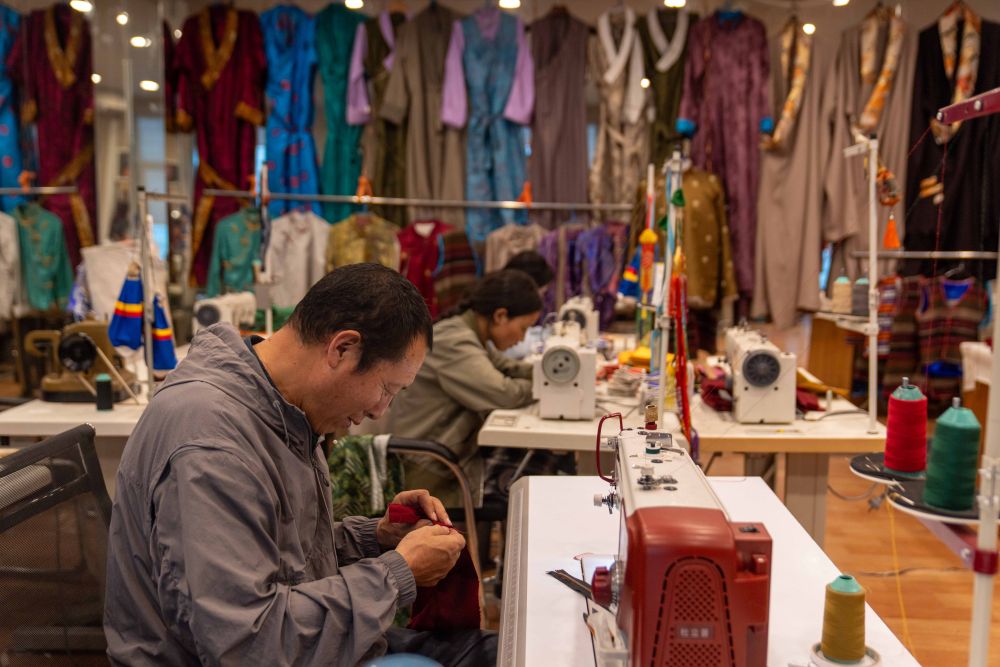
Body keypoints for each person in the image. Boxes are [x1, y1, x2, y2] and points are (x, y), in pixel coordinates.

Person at [104, 263, 495, 666]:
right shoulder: (213, 447)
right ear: (342, 349)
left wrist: (376, 538)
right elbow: (245, 644)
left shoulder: (278, 410)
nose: (380, 411)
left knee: (497, 651)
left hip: (291, 643)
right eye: (386, 388)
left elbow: (273, 552)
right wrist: (397, 574)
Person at [388, 269, 542, 506]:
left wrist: (551, 372)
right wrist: (545, 386)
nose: (522, 338)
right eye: (523, 328)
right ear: (500, 316)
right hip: (429, 466)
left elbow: (507, 367)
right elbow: (504, 393)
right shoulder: (455, 341)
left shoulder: (470, 333)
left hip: (446, 452)